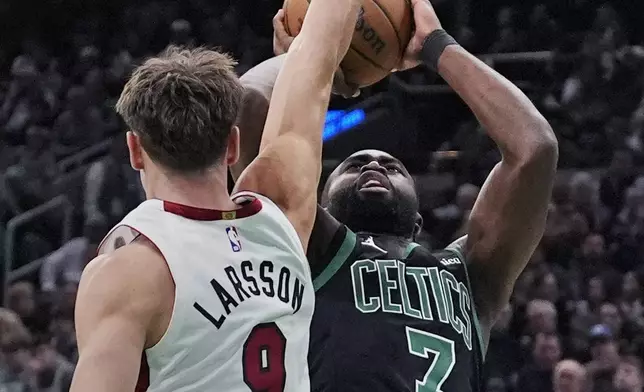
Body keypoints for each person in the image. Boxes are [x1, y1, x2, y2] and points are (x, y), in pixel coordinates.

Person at [233, 0, 558, 390]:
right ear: (319, 204)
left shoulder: (471, 276)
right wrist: (310, 56)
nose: (373, 166)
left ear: (419, 219)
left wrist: (437, 46)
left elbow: (535, 149)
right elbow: (247, 104)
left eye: (393, 168)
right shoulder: (308, 249)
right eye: (354, 166)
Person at [69, 0, 362, 390]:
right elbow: (319, 55)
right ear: (233, 146)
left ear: (135, 150)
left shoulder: (129, 272)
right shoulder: (282, 218)